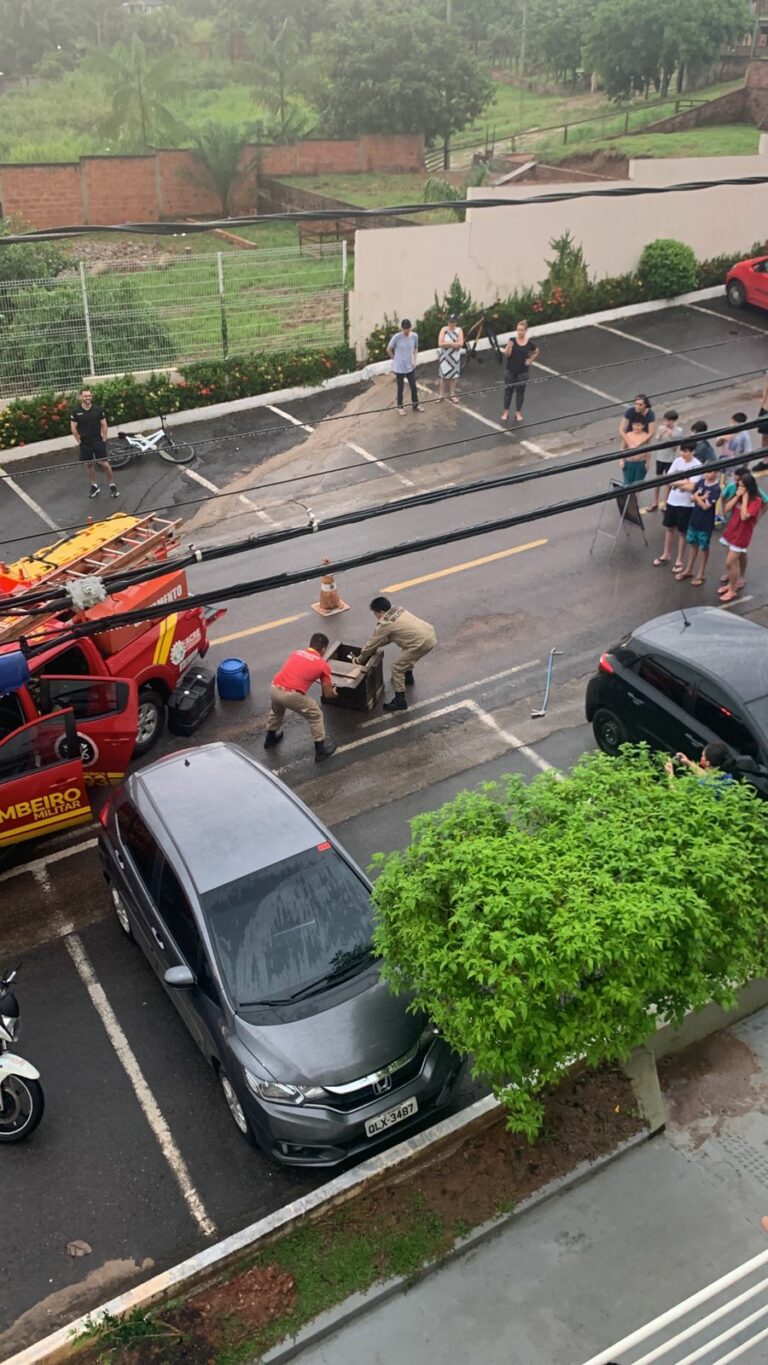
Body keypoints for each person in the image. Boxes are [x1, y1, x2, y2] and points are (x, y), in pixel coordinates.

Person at [264, 632, 338, 762]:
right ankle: (320, 751)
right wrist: (334, 693)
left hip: (274, 687)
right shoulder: (323, 665)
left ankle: (269, 739)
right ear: (323, 649)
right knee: (316, 715)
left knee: (277, 711)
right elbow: (327, 694)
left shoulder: (296, 653)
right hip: (291, 695)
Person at [356, 596, 437, 712]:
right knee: (407, 654)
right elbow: (393, 636)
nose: (376, 616)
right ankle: (408, 677)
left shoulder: (385, 623)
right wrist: (377, 644)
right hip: (429, 634)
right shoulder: (398, 609)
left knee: (397, 668)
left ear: (381, 612)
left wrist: (360, 658)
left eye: (376, 614)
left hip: (420, 643)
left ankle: (400, 701)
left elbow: (372, 643)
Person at [718, 465, 768, 593]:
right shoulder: (736, 490)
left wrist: (745, 501)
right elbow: (726, 508)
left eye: (741, 486)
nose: (738, 487)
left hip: (742, 533)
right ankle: (732, 580)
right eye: (738, 485)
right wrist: (736, 496)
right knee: (731, 560)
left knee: (733, 560)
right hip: (732, 529)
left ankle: (735, 584)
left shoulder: (755, 499)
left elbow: (744, 516)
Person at [653, 440, 701, 571]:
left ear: (692, 452)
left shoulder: (697, 465)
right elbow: (668, 480)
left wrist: (676, 481)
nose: (682, 454)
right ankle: (666, 554)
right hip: (672, 501)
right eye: (681, 450)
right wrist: (683, 481)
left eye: (686, 451)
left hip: (686, 504)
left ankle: (679, 559)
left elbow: (692, 486)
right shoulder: (677, 461)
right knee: (669, 528)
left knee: (682, 532)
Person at [674, 465, 721, 586]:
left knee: (703, 548)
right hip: (694, 519)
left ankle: (701, 573)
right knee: (693, 544)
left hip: (705, 523)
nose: (707, 474)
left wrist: (697, 497)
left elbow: (706, 506)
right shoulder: (700, 482)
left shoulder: (716, 489)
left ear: (716, 472)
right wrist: (701, 498)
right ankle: (689, 569)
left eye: (710, 471)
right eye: (706, 471)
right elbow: (691, 498)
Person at [70, 387, 119, 500]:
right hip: (85, 443)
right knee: (88, 465)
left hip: (98, 441)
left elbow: (104, 425)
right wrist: (79, 441)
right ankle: (94, 486)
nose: (88, 397)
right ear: (81, 397)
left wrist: (104, 438)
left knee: (105, 464)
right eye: (85, 396)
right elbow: (73, 428)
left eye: (89, 395)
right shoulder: (76, 412)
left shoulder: (98, 410)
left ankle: (112, 485)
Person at [501, 319, 539, 423]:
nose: (519, 332)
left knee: (520, 392)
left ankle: (518, 412)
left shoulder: (529, 343)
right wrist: (509, 347)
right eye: (518, 330)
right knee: (508, 391)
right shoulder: (512, 340)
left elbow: (536, 351)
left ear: (525, 331)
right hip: (510, 371)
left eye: (522, 330)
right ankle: (506, 412)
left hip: (523, 372)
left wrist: (530, 360)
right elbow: (507, 355)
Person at [649, 409, 682, 513]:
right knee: (658, 479)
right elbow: (657, 440)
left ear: (674, 421)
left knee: (668, 482)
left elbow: (674, 448)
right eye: (665, 420)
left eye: (669, 421)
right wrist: (661, 434)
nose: (667, 423)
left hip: (670, 459)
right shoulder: (661, 428)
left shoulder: (678, 431)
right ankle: (655, 501)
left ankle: (666, 502)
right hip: (660, 457)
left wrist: (671, 436)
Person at [387, 319, 422, 416]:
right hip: (399, 366)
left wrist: (414, 360)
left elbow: (415, 348)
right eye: (405, 328)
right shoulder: (397, 337)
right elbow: (389, 349)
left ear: (410, 328)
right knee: (400, 387)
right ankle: (400, 407)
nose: (406, 330)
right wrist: (394, 358)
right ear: (402, 328)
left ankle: (415, 404)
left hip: (409, 365)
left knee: (413, 386)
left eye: (408, 328)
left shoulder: (414, 336)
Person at [437, 314, 464, 404]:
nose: (451, 324)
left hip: (454, 357)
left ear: (456, 322)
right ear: (448, 322)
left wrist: (448, 344)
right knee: (443, 376)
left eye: (453, 322)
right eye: (450, 322)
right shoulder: (443, 329)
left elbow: (460, 344)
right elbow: (440, 344)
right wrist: (453, 344)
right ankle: (441, 395)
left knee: (453, 376)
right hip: (445, 357)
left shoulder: (459, 330)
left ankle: (453, 395)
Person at [620, 418, 649, 485]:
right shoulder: (628, 435)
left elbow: (648, 450)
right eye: (634, 425)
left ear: (643, 426)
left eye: (638, 425)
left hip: (641, 462)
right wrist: (621, 460)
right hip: (629, 462)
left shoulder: (646, 436)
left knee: (638, 483)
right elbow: (623, 448)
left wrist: (647, 462)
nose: (636, 427)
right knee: (627, 482)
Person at [754, 371, 768, 470]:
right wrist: (763, 404)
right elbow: (765, 389)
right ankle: (765, 460)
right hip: (766, 409)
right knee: (764, 436)